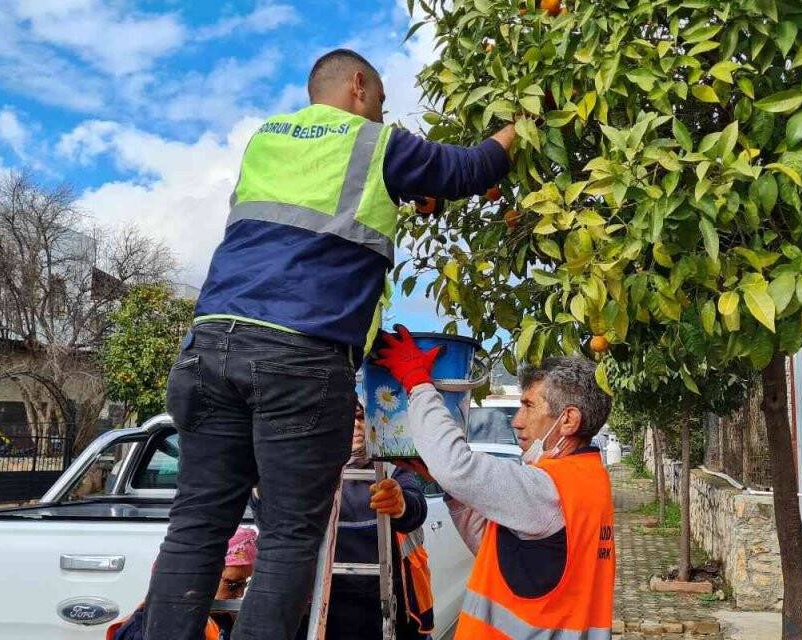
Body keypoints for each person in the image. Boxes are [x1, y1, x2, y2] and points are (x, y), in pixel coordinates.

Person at [145, 49, 517, 640]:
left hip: (209, 347)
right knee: (292, 535)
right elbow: (471, 170)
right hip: (298, 360)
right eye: (381, 105)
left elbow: (312, 217)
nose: (381, 116)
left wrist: (404, 192)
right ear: (360, 85)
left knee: (196, 525)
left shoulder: (266, 140)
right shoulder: (377, 143)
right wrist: (526, 120)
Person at [374, 327, 616, 639]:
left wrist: (418, 382)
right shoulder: (587, 478)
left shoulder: (548, 489)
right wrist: (448, 485)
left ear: (568, 420)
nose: (517, 421)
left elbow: (457, 466)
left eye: (528, 405)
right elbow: (503, 553)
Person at [289, 401, 433, 640]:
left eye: (362, 418)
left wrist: (400, 505)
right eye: (346, 417)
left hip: (386, 608)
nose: (355, 426)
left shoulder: (391, 465)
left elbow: (415, 505)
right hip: (323, 608)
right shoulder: (307, 470)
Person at [111, 528, 259, 640]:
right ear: (195, 579)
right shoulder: (141, 631)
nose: (240, 594)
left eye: (244, 584)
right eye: (233, 585)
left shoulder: (226, 621)